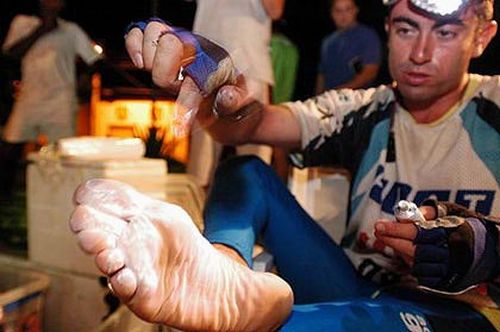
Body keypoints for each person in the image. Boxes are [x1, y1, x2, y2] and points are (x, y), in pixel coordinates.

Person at [70, 0, 500, 330]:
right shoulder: (365, 109)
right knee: (246, 173)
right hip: (361, 286)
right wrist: (221, 87)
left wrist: (486, 249)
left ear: (482, 37)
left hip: (468, 312)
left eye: (445, 33)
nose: (421, 53)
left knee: (277, 327)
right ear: (388, 29)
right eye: (407, 29)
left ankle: (241, 309)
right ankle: (226, 273)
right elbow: (251, 125)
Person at [0, 0, 102, 199]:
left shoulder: (71, 30)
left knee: (63, 151)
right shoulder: (22, 22)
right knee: (10, 144)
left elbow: (95, 60)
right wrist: (42, 30)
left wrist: (84, 78)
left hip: (61, 99)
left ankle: (64, 196)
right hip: (29, 95)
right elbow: (11, 54)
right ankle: (5, 194)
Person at [186, 0, 285, 189]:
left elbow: (275, 10)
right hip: (207, 63)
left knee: (254, 159)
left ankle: (255, 214)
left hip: (250, 65)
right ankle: (194, 217)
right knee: (200, 165)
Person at [316, 0, 382, 93]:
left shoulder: (367, 35)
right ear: (331, 13)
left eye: (348, 9)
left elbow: (370, 73)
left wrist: (338, 92)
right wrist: (317, 98)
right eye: (338, 11)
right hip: (328, 102)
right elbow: (321, 75)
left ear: (356, 10)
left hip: (357, 102)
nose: (343, 15)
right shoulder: (327, 42)